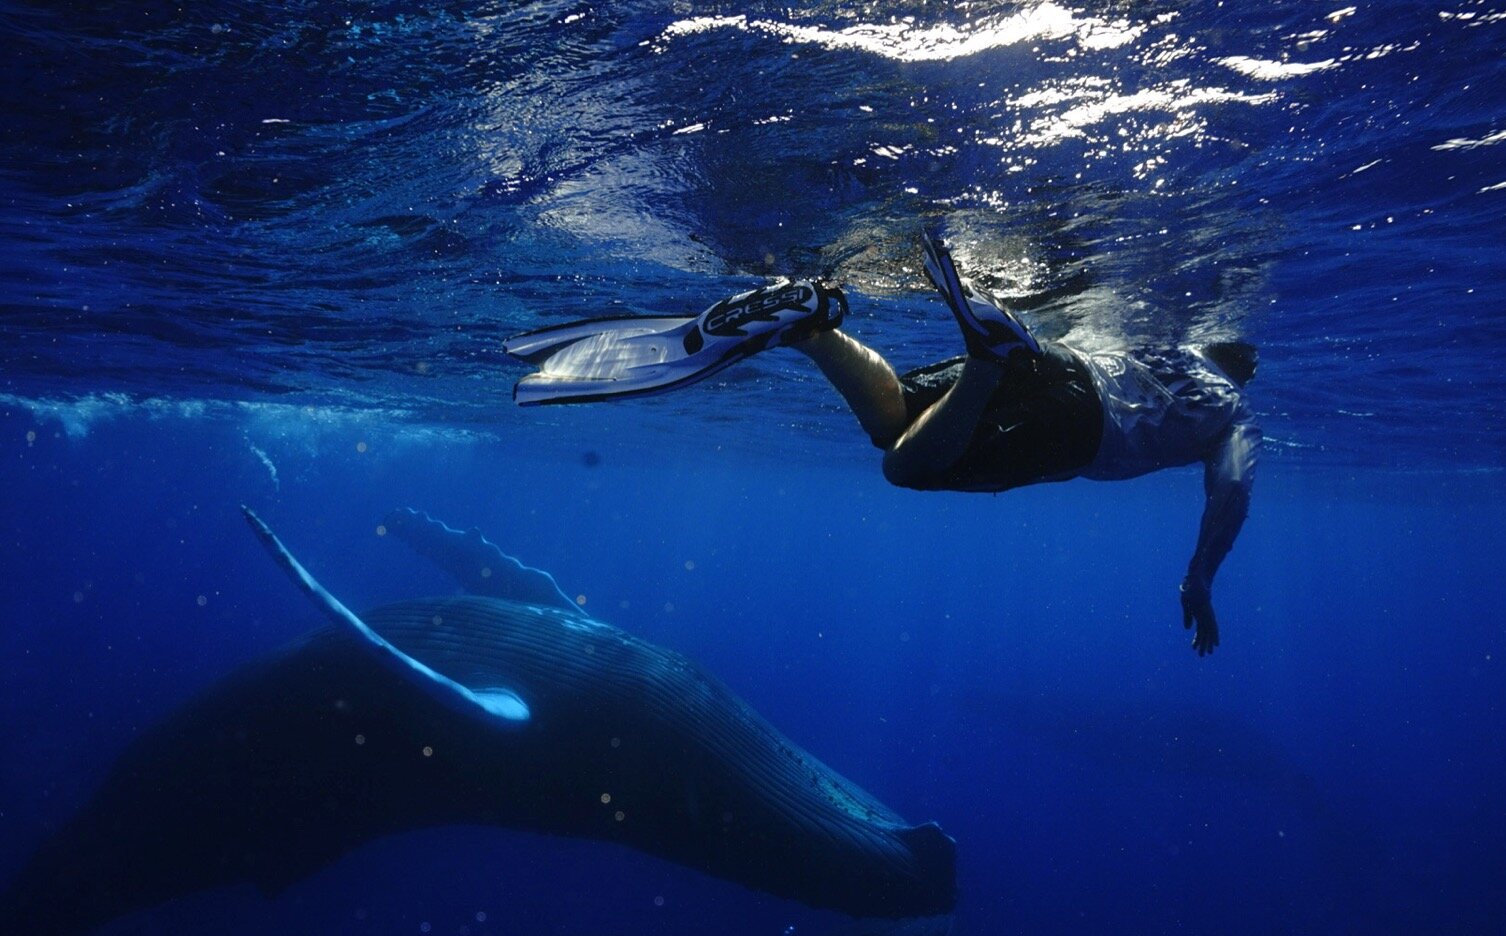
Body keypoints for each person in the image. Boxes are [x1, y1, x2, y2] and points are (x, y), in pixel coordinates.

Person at [505, 232, 1260, 655]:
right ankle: (987, 363)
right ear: (1241, 374)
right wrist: (1200, 578)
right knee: (905, 469)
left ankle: (809, 326)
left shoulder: (1161, 348)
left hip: (1064, 363)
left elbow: (1079, 339)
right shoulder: (1232, 415)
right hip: (1078, 429)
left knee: (891, 416)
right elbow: (1229, 495)